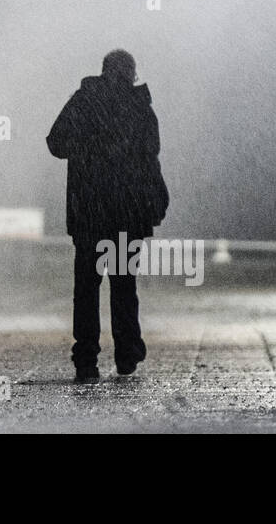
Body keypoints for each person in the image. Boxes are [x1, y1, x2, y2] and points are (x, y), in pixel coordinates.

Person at [46, 49, 169, 383]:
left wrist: (87, 146)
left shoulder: (84, 102)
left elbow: (55, 143)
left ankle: (86, 360)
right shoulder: (139, 108)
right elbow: (150, 159)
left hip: (89, 213)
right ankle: (127, 353)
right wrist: (154, 201)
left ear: (102, 71)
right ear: (131, 73)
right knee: (123, 286)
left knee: (86, 289)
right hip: (126, 214)